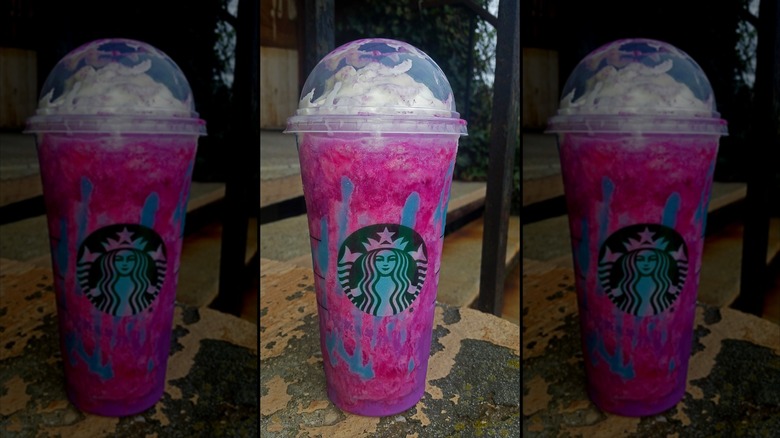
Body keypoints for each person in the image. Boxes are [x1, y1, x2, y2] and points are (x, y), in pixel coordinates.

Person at [89, 248, 156, 316]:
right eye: (119, 259)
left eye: (130, 259)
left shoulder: (144, 282)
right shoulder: (103, 284)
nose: (125, 263)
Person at [612, 248, 676, 316]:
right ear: (632, 262)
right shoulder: (625, 283)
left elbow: (674, 292)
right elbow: (615, 294)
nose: (646, 263)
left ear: (659, 262)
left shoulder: (664, 282)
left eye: (652, 259)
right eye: (640, 259)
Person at [354, 248, 417, 316]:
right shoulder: (363, 285)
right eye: (379, 259)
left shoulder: (405, 283)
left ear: (398, 262)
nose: (385, 263)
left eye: (392, 259)